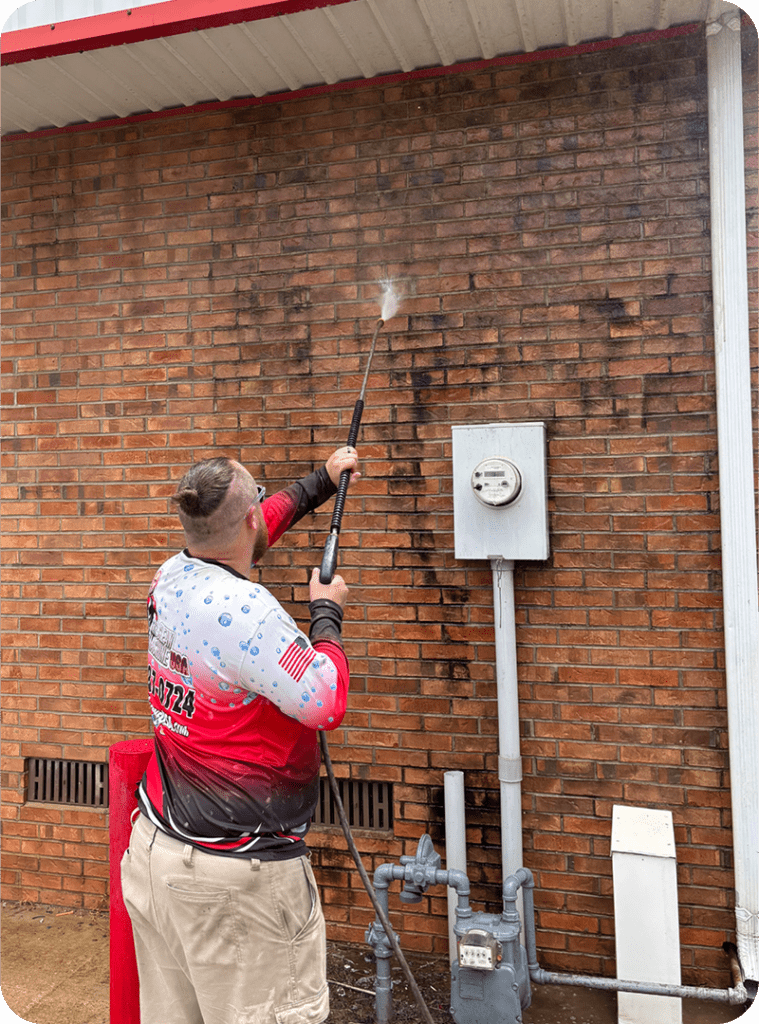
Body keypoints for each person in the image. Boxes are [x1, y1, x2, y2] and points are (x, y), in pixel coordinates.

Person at [120, 446, 360, 1024]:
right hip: (234, 884)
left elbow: (254, 526)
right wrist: (326, 613)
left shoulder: (171, 575)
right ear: (248, 517)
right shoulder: (250, 615)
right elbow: (324, 699)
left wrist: (321, 482)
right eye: (258, 501)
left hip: (158, 857)